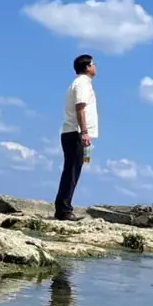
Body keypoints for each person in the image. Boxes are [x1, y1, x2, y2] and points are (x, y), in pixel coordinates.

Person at [54, 53, 98, 221]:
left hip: (73, 132)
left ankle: (63, 208)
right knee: (72, 172)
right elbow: (80, 107)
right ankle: (64, 210)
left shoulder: (81, 83)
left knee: (72, 171)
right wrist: (84, 132)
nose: (95, 67)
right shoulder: (82, 83)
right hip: (75, 132)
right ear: (87, 67)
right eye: (93, 64)